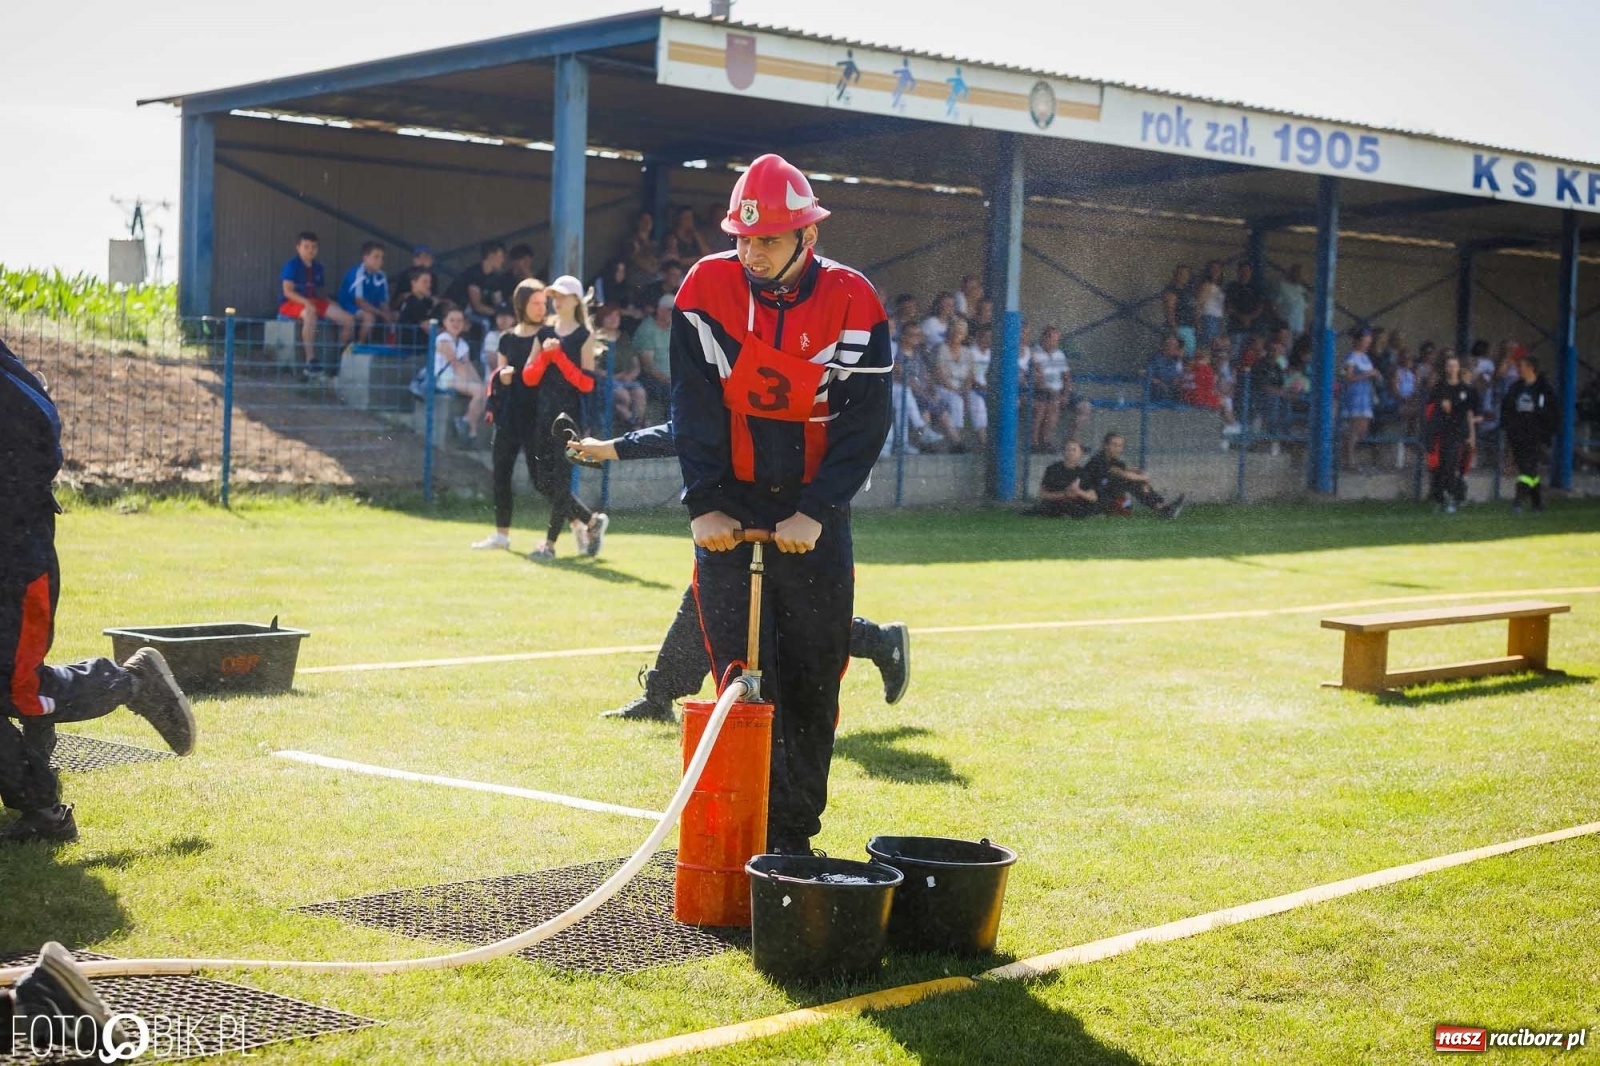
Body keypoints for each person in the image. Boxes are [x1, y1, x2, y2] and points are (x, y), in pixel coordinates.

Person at [670, 153, 892, 854]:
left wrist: (818, 511)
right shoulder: (705, 287)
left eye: (768, 239)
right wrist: (704, 503)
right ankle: (738, 830)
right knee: (737, 677)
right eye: (744, 237)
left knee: (812, 677)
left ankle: (792, 835)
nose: (753, 252)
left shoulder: (856, 300)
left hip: (813, 510)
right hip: (727, 506)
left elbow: (864, 423)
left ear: (808, 239)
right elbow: (693, 404)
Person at [567, 425, 912, 721]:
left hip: (786, 510)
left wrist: (612, 448)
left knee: (791, 619)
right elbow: (689, 425)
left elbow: (685, 429)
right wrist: (612, 448)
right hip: (739, 508)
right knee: (707, 605)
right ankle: (660, 695)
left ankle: (877, 642)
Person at [2, 341, 196, 845]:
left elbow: (39, 435)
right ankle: (38, 787)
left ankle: (130, 683)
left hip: (15, 558)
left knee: (19, 687)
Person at [520, 275, 609, 560]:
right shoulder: (544, 332)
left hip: (569, 419)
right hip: (542, 414)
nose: (555, 301)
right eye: (553, 296)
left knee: (560, 481)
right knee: (540, 481)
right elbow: (528, 377)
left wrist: (558, 358)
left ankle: (549, 545)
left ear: (574, 300)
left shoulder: (584, 335)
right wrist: (546, 357)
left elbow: (587, 383)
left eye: (561, 296)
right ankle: (591, 521)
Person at [473, 279, 547, 552]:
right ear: (521, 305)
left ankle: (584, 521)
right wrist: (502, 377)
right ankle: (501, 535)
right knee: (501, 475)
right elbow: (498, 381)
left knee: (542, 481)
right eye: (535, 303)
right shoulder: (507, 339)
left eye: (543, 303)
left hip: (539, 417)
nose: (541, 308)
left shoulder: (549, 336)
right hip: (509, 417)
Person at [277, 231, 355, 379]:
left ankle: (337, 360)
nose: (310, 250)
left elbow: (319, 292)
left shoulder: (318, 267)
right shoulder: (291, 265)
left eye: (314, 247)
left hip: (313, 300)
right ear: (298, 247)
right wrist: (306, 303)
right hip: (291, 303)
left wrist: (332, 304)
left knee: (348, 319)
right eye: (306, 247)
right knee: (310, 312)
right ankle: (310, 361)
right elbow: (287, 292)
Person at [1500, 355, 1559, 513]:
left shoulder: (1544, 389)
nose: (1519, 369)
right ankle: (1537, 503)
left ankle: (1517, 502)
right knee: (1529, 470)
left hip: (1535, 435)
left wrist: (1545, 428)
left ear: (1531, 368)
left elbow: (1553, 412)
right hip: (1518, 434)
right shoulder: (1516, 388)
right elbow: (1507, 409)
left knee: (1527, 468)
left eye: (1522, 366)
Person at [1082, 432, 1185, 518]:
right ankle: (1162, 508)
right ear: (1105, 445)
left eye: (1120, 445)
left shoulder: (1114, 461)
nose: (1118, 448)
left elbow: (1135, 471)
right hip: (1089, 501)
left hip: (1103, 497)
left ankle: (1162, 507)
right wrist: (1144, 478)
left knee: (1132, 480)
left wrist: (1143, 479)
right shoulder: (1099, 459)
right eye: (1114, 445)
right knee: (1126, 480)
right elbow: (1124, 475)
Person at [1425, 353, 1479, 513]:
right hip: (1440, 432)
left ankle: (1453, 498)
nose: (1452, 369)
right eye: (1449, 366)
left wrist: (1471, 435)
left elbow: (1469, 413)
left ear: (1458, 368)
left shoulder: (1465, 389)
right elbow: (1431, 410)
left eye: (1455, 366)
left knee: (1450, 466)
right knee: (1438, 467)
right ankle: (1439, 499)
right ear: (1445, 368)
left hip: (1457, 433)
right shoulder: (1439, 388)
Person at [431, 306, 487, 446]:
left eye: (459, 320)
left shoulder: (462, 344)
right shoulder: (442, 339)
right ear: (444, 322)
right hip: (444, 378)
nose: (456, 324)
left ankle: (468, 423)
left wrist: (478, 382)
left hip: (457, 377)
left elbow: (467, 365)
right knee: (479, 390)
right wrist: (471, 383)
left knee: (484, 389)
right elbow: (455, 363)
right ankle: (469, 427)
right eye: (452, 320)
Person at [934, 316, 985, 449]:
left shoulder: (968, 352)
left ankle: (983, 440)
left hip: (962, 388)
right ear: (949, 331)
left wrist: (965, 391)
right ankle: (956, 441)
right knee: (957, 401)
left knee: (977, 402)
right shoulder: (941, 348)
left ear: (965, 335)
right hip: (943, 387)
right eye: (955, 330)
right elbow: (940, 375)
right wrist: (955, 390)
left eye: (961, 332)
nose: (957, 334)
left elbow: (969, 377)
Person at [444, 241, 510, 339]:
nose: (503, 260)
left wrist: (505, 313)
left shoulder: (495, 278)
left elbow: (499, 302)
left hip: (476, 313)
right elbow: (477, 306)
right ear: (491, 255)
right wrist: (497, 312)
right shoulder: (474, 274)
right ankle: (485, 352)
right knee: (485, 323)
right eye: (501, 256)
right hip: (458, 311)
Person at [597, 304, 648, 431]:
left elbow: (636, 364)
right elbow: (593, 368)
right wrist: (613, 376)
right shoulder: (595, 338)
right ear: (601, 318)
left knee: (640, 393)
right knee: (623, 395)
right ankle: (634, 426)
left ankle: (637, 423)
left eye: (617, 316)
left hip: (626, 379)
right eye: (609, 316)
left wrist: (631, 375)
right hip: (606, 380)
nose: (614, 319)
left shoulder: (624, 337)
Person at [337, 241, 396, 344]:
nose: (380, 261)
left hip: (371, 308)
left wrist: (387, 313)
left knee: (394, 316)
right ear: (365, 258)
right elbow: (359, 302)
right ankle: (359, 347)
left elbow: (384, 302)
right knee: (369, 318)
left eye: (382, 258)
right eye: (376, 257)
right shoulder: (358, 272)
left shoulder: (381, 275)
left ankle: (388, 350)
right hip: (349, 305)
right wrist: (382, 313)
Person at [1025, 439, 1099, 518]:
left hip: (1075, 502)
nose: (1071, 453)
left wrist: (1078, 492)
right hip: (1057, 502)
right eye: (1068, 450)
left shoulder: (1084, 473)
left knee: (1087, 506)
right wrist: (1064, 494)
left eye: (1074, 450)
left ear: (1081, 453)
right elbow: (1042, 494)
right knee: (1049, 506)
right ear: (1064, 452)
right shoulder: (1053, 469)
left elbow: (1093, 497)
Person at [1341, 328, 1380, 471]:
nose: (1367, 345)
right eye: (1365, 342)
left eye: (1369, 342)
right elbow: (1348, 378)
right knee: (1355, 427)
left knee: (1362, 428)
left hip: (1365, 395)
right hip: (1355, 395)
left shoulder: (1365, 357)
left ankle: (1348, 457)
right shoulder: (1351, 357)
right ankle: (1349, 460)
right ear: (1357, 341)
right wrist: (1368, 374)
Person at [631, 294, 674, 413]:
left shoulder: (674, 329)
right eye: (670, 310)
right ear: (660, 310)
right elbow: (648, 366)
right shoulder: (647, 329)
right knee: (675, 394)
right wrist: (670, 380)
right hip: (653, 380)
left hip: (673, 379)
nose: (674, 313)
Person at [1224, 261, 1265, 346]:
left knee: (1250, 355)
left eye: (1247, 271)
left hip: (1252, 329)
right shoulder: (1231, 287)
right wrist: (1242, 318)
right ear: (1238, 272)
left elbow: (1260, 307)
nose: (1244, 273)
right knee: (1234, 354)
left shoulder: (1256, 288)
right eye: (1242, 270)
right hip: (1234, 328)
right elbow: (1228, 306)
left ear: (1251, 272)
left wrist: (1249, 318)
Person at [1162, 265, 1198, 357]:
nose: (1184, 276)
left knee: (1189, 354)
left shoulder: (1188, 290)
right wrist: (1174, 327)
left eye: (1186, 274)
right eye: (1181, 274)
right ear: (1176, 275)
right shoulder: (1172, 290)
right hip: (1180, 327)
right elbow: (1170, 309)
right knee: (1180, 355)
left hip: (1189, 327)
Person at [393, 268, 438, 337]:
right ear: (414, 283)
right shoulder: (411, 301)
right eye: (425, 281)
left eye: (430, 282)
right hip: (410, 343)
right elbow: (426, 325)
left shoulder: (427, 301)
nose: (429, 285)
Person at [389, 244, 435, 308]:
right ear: (415, 259)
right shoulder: (405, 275)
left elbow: (433, 296)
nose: (429, 260)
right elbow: (399, 298)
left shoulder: (433, 276)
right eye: (425, 257)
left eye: (430, 257)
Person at [1273, 263, 1309, 339]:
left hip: (1299, 329)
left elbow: (1303, 310)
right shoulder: (1281, 286)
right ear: (1290, 273)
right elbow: (1272, 306)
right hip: (1284, 330)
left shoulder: (1303, 290)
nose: (1298, 275)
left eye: (1300, 273)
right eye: (1295, 272)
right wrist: (1278, 323)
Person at [1146, 334, 1185, 403]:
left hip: (1173, 390)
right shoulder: (1156, 358)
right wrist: (1155, 380)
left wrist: (1180, 359)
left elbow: (1181, 374)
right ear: (1164, 346)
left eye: (1175, 345)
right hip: (1158, 390)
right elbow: (1145, 372)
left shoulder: (1177, 360)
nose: (1171, 347)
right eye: (1169, 344)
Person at [1196, 260, 1226, 346]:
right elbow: (1199, 304)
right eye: (1213, 268)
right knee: (1208, 345)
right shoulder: (1206, 285)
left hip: (1217, 320)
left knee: (1215, 346)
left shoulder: (1219, 287)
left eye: (1218, 269)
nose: (1215, 271)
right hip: (1208, 319)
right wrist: (1198, 323)